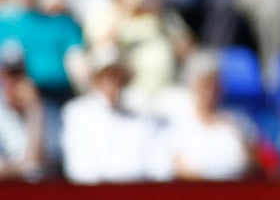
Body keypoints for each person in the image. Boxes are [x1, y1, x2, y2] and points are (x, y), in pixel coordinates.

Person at [60, 46, 171, 183]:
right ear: (96, 78)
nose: (114, 82)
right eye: (108, 75)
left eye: (119, 76)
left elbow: (154, 168)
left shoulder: (139, 119)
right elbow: (80, 170)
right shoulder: (76, 113)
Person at [165, 49, 257, 181]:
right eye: (205, 84)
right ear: (193, 85)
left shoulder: (239, 121)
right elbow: (177, 167)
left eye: (216, 84)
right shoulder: (176, 122)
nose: (211, 90)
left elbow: (255, 163)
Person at [0, 41, 56, 180]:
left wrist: (34, 110)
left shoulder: (44, 109)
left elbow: (40, 164)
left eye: (18, 73)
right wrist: (23, 168)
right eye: (10, 74)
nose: (15, 80)